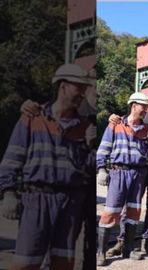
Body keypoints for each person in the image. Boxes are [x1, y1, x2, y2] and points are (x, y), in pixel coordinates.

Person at [0, 63, 96, 269]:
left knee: (63, 264)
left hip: (70, 203)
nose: (82, 93)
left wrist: (90, 147)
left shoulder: (85, 127)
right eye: (79, 87)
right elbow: (11, 159)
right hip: (36, 199)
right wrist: (8, 194)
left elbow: (88, 171)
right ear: (63, 86)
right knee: (26, 263)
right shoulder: (32, 117)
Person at [96, 92, 148, 266]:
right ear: (134, 105)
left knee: (133, 212)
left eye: (147, 107)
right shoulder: (115, 124)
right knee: (111, 211)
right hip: (119, 173)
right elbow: (104, 148)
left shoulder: (146, 130)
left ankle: (128, 248)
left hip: (139, 174)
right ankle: (100, 252)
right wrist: (101, 168)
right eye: (143, 106)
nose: (146, 110)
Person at [105, 89, 148, 257]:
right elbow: (122, 126)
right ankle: (122, 242)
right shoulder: (137, 119)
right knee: (130, 207)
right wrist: (112, 118)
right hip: (139, 169)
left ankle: (146, 242)